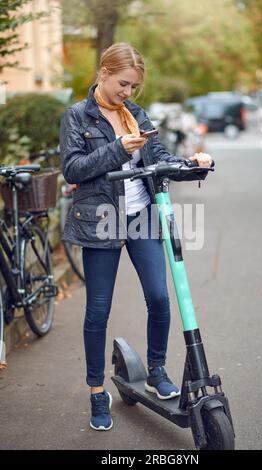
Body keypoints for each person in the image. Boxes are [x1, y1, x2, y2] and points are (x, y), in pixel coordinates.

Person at [60, 42, 213, 432]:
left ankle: (157, 370)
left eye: (133, 88)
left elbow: (159, 158)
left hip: (142, 216)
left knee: (160, 297)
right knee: (98, 310)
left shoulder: (136, 114)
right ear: (105, 72)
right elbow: (73, 170)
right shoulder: (77, 116)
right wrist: (116, 150)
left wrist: (193, 165)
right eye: (123, 84)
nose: (127, 93)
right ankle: (97, 392)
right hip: (102, 219)